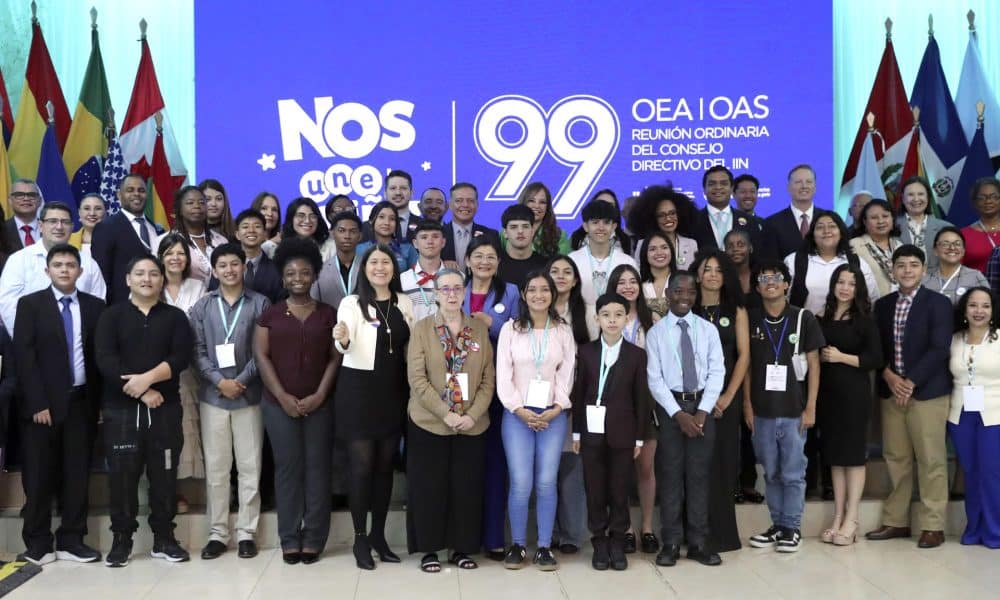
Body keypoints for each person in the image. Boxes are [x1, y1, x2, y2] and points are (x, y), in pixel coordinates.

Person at [95, 254, 194, 567]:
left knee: (164, 475)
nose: (147, 279)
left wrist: (149, 382)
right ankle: (122, 540)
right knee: (122, 478)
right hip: (120, 410)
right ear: (128, 280)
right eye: (139, 273)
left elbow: (180, 357)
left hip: (165, 408)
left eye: (154, 273)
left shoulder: (175, 317)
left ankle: (164, 538)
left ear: (162, 279)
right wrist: (141, 392)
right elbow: (106, 360)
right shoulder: (111, 317)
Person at [14, 243, 105, 566]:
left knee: (77, 474)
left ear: (80, 271)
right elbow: (24, 358)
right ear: (47, 270)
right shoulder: (30, 305)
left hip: (81, 402)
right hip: (42, 407)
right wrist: (37, 402)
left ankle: (72, 539)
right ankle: (38, 542)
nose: (65, 270)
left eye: (70, 265)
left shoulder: (95, 306)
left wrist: (100, 404)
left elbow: (100, 358)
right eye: (58, 265)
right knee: (39, 476)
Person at [255, 238, 339, 565]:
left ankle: (315, 537)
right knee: (288, 469)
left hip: (321, 403)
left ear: (315, 275)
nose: (298, 277)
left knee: (318, 470)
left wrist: (320, 394)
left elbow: (335, 358)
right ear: (283, 276)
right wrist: (283, 396)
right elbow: (262, 357)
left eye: (305, 272)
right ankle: (289, 537)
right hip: (278, 406)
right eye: (291, 273)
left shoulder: (329, 315)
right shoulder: (271, 315)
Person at [406, 268, 494, 572]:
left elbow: (487, 380)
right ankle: (429, 549)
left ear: (465, 292)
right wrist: (447, 414)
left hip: (471, 425)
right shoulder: (421, 329)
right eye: (445, 289)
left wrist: (469, 416)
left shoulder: (479, 329)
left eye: (458, 288)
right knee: (429, 487)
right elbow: (417, 380)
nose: (452, 294)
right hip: (429, 422)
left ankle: (462, 549)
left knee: (466, 489)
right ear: (435, 294)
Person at [333, 244, 415, 569]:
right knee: (362, 468)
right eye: (373, 262)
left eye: (385, 262)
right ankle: (359, 538)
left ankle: (379, 535)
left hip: (394, 392)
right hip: (359, 392)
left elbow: (414, 344)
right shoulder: (351, 303)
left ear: (393, 269)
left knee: (384, 468)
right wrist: (341, 338)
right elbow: (344, 342)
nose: (380, 267)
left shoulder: (405, 302)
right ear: (364, 269)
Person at [866, 245, 953, 549]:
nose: (906, 270)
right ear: (892, 269)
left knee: (931, 460)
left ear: (923, 269)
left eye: (913, 265)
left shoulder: (939, 303)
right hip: (892, 392)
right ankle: (896, 521)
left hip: (927, 393)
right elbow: (877, 349)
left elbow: (940, 348)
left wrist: (910, 382)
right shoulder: (884, 305)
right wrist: (890, 377)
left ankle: (933, 525)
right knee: (896, 458)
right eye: (900, 265)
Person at [190, 244, 271, 560]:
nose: (229, 270)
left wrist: (241, 380)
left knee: (251, 467)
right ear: (214, 270)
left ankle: (247, 532)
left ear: (243, 267)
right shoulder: (203, 306)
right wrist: (219, 381)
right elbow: (196, 351)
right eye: (222, 265)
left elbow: (263, 351)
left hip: (249, 395)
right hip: (213, 397)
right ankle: (218, 533)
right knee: (218, 469)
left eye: (234, 264)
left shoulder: (260, 303)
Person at [497, 270, 575, 571]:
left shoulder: (562, 329)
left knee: (545, 482)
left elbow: (567, 372)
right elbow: (503, 375)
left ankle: (543, 547)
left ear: (552, 294)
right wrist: (519, 409)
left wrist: (558, 407)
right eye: (533, 290)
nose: (539, 295)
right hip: (518, 415)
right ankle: (517, 545)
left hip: (552, 415)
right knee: (520, 483)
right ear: (524, 295)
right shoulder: (511, 330)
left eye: (545, 290)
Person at [744, 260, 823, 553]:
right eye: (763, 278)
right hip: (762, 411)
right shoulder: (751, 319)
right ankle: (777, 525)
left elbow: (814, 365)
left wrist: (811, 406)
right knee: (771, 473)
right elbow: (747, 366)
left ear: (787, 283)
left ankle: (792, 527)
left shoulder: (803, 318)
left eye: (776, 277)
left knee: (792, 473)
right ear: (757, 287)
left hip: (794, 410)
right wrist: (747, 406)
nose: (770, 282)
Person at [646, 272, 724, 567]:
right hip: (671, 411)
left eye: (691, 292)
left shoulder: (707, 330)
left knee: (699, 476)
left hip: (702, 405)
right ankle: (670, 542)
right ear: (668, 293)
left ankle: (699, 542)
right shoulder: (656, 334)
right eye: (678, 291)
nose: (684, 297)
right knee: (670, 476)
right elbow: (654, 379)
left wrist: (702, 412)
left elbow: (717, 372)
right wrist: (678, 415)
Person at [571, 293, 650, 571]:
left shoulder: (637, 355)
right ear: (597, 318)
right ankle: (599, 542)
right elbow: (578, 394)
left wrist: (639, 437)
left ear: (627, 317)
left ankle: (618, 541)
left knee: (619, 489)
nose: (612, 320)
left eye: (618, 314)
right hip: (591, 435)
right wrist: (577, 433)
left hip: (623, 434)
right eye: (606, 315)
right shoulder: (587, 352)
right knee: (595, 489)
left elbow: (641, 399)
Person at [816, 264, 882, 546]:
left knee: (853, 456)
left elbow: (875, 359)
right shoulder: (822, 317)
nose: (845, 287)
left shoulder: (864, 319)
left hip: (854, 395)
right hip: (828, 395)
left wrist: (842, 357)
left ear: (859, 289)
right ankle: (837, 517)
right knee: (835, 456)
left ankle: (852, 518)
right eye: (840, 282)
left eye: (851, 284)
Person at [462, 237, 519, 560]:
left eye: (491, 257)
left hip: (499, 390)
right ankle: (466, 539)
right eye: (478, 256)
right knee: (467, 467)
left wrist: (493, 323)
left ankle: (495, 538)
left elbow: (521, 334)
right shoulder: (456, 288)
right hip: (461, 390)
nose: (484, 262)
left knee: (496, 466)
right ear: (468, 260)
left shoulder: (510, 292)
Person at [691, 251, 750, 553]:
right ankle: (695, 535)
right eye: (707, 269)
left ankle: (724, 536)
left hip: (726, 400)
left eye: (718, 270)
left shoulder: (736, 308)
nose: (712, 275)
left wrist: (727, 397)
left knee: (724, 464)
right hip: (693, 401)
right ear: (697, 274)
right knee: (696, 466)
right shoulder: (688, 308)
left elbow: (743, 356)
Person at [607, 264, 660, 554]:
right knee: (619, 469)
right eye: (621, 282)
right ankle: (624, 528)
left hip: (645, 401)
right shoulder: (606, 318)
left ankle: (648, 527)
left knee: (646, 467)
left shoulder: (651, 320)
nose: (628, 286)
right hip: (613, 402)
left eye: (632, 281)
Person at [545, 255, 593, 554]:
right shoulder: (536, 309)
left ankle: (572, 535)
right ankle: (546, 534)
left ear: (576, 280)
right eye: (554, 271)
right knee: (546, 469)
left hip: (577, 398)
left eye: (567, 272)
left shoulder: (586, 313)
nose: (561, 276)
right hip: (540, 402)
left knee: (572, 467)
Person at [0, 202, 107, 336]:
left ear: (72, 227)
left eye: (65, 222)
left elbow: (98, 304)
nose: (59, 227)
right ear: (40, 226)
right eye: (52, 221)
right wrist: (27, 339)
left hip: (80, 344)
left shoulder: (89, 263)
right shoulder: (19, 260)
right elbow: (8, 306)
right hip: (32, 343)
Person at [157, 233, 208, 512]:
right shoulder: (150, 283)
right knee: (166, 431)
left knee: (190, 427)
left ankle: (195, 488)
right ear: (160, 257)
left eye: (180, 253)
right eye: (169, 253)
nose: (175, 258)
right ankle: (170, 492)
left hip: (191, 367)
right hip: (158, 369)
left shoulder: (198, 286)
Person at [947, 287, 1000, 548]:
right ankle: (974, 528)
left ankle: (994, 531)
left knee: (992, 473)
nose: (979, 311)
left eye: (985, 306)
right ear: (965, 310)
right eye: (973, 305)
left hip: (994, 414)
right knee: (971, 472)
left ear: (992, 311)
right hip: (961, 414)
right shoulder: (954, 339)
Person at [786, 212, 879, 316]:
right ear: (812, 234)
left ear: (841, 232)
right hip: (804, 328)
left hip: (848, 328)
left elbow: (872, 298)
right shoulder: (794, 260)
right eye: (820, 227)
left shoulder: (857, 262)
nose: (826, 231)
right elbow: (783, 298)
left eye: (832, 226)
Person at [92, 175, 165, 304]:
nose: (136, 194)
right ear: (119, 195)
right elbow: (102, 275)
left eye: (141, 190)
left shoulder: (155, 228)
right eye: (130, 190)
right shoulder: (106, 227)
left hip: (156, 305)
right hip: (121, 308)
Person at [569, 199, 637, 306]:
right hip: (580, 320)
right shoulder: (572, 260)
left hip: (618, 320)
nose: (601, 228)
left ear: (614, 227)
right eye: (595, 222)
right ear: (586, 226)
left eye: (606, 222)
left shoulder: (627, 262)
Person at [162, 186, 229, 284]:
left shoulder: (222, 241)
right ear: (179, 209)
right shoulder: (164, 240)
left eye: (202, 202)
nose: (197, 206)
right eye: (190, 203)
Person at [761, 164, 828, 260]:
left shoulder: (828, 219)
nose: (804, 186)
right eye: (798, 182)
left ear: (815, 186)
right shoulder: (772, 223)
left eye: (809, 182)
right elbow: (771, 264)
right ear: (788, 187)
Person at [692, 165, 762, 252]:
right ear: (704, 189)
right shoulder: (692, 220)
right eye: (712, 184)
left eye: (724, 183)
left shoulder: (750, 221)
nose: (718, 187)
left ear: (732, 188)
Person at [627, 185, 699, 270]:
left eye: (672, 213)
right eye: (661, 215)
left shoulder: (691, 244)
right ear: (653, 218)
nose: (668, 218)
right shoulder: (643, 245)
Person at [850, 199, 903, 298]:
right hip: (869, 307)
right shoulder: (854, 245)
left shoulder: (899, 246)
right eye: (874, 217)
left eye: (885, 216)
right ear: (865, 222)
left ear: (893, 219)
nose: (881, 221)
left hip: (901, 305)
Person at [441, 182, 500, 271]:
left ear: (477, 205)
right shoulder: (439, 234)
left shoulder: (491, 235)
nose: (465, 205)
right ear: (450, 205)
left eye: (470, 201)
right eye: (459, 200)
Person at [897, 177, 951, 272]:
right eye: (910, 194)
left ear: (928, 197)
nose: (916, 199)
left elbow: (951, 263)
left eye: (921, 194)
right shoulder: (890, 226)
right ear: (902, 198)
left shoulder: (946, 228)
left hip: (938, 284)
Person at [230, 209, 284, 303]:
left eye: (257, 226)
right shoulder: (226, 266)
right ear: (237, 235)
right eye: (245, 226)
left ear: (264, 234)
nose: (251, 230)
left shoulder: (277, 270)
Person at [313, 211, 363, 309]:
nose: (347, 236)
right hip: (330, 323)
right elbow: (314, 305)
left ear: (360, 236)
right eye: (341, 230)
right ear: (332, 234)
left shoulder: (369, 267)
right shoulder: (319, 270)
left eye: (352, 231)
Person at [506, 182, 571, 257]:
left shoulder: (559, 236)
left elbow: (563, 265)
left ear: (547, 207)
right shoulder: (508, 230)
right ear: (523, 202)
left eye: (542, 202)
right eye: (531, 201)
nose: (537, 206)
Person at [400, 220, 447, 320]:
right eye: (424, 237)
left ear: (443, 242)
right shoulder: (402, 280)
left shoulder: (457, 278)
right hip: (412, 335)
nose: (430, 241)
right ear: (415, 243)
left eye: (435, 237)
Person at [929, 227, 988, 305]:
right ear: (935, 250)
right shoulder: (924, 278)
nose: (952, 248)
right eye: (945, 244)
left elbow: (988, 308)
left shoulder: (976, 277)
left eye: (957, 244)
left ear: (963, 251)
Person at [356, 200, 418, 272]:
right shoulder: (359, 249)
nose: (387, 223)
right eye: (381, 217)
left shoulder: (407, 249)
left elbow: (417, 276)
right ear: (371, 221)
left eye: (392, 219)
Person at [569, 189, 634, 256]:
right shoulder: (576, 238)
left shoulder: (625, 240)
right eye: (600, 203)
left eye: (610, 205)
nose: (604, 208)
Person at [496, 204, 548, 289]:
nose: (520, 231)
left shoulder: (546, 265)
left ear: (532, 231)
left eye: (525, 226)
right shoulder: (494, 264)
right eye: (514, 227)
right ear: (505, 233)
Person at [960, 177, 1000, 273]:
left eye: (994, 197)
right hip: (975, 287)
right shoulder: (963, 235)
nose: (988, 201)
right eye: (982, 198)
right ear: (975, 203)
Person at [371, 169, 421, 241]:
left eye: (403, 188)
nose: (398, 193)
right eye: (393, 188)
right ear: (385, 193)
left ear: (411, 193)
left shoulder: (422, 224)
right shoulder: (367, 226)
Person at [640, 231, 677, 318]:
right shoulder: (637, 283)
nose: (659, 253)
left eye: (664, 247)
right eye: (653, 249)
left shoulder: (682, 280)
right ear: (645, 254)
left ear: (671, 251)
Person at [2, 179, 42, 251]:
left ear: (39, 201)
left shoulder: (50, 228)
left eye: (31, 195)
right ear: (10, 201)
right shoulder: (2, 230)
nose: (26, 199)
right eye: (19, 195)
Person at [68, 193, 107, 258]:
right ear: (79, 213)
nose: (92, 213)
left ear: (105, 213)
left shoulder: (117, 239)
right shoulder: (68, 240)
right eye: (86, 208)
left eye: (98, 208)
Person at [250, 191, 281, 258]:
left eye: (274, 210)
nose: (270, 214)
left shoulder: (283, 243)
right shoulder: (245, 239)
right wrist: (270, 243)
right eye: (264, 208)